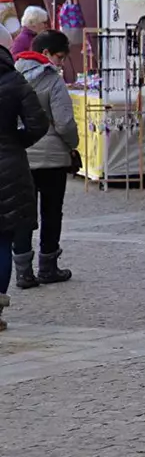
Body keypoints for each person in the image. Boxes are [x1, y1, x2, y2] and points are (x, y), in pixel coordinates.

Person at [13, 30, 77, 288]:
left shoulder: (12, 75)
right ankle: (48, 266)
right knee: (51, 213)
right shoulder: (52, 80)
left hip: (21, 156)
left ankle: (23, 272)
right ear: (45, 54)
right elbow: (64, 122)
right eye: (59, 56)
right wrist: (73, 146)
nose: (61, 62)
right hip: (52, 158)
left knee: (22, 215)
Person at [0, 44, 49, 330]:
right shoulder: (14, 79)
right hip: (9, 165)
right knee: (3, 240)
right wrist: (16, 142)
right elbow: (38, 123)